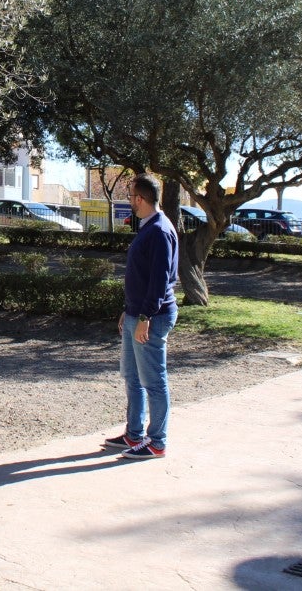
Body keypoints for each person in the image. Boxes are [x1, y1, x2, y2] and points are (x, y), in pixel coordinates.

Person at [104, 173, 178, 459]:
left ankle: (157, 441)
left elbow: (160, 280)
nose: (130, 202)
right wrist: (130, 310)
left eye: (132, 196)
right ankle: (133, 434)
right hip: (137, 313)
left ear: (141, 199)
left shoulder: (159, 230)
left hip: (152, 317)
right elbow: (143, 275)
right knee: (133, 377)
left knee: (153, 380)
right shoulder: (149, 227)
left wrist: (145, 316)